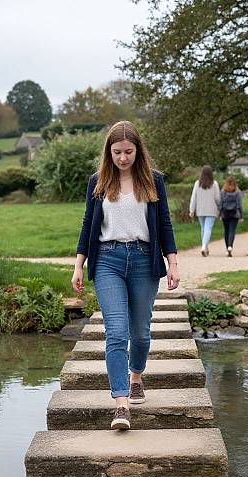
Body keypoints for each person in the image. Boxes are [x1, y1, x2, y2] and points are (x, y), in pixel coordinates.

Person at [71, 121, 180, 431]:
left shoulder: (153, 181)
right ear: (109, 151)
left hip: (145, 260)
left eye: (128, 152)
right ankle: (121, 404)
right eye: (117, 152)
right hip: (107, 260)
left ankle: (135, 377)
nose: (122, 158)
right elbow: (86, 225)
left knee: (141, 334)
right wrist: (79, 265)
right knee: (116, 333)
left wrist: (172, 263)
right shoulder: (99, 181)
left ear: (138, 150)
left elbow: (166, 225)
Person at [189, 165, 221, 257]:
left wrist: (192, 210)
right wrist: (219, 207)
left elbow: (193, 198)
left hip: (200, 210)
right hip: (211, 210)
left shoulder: (197, 183)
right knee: (208, 228)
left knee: (203, 228)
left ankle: (205, 248)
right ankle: (204, 246)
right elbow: (218, 198)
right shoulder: (214, 184)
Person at [219, 176, 244, 257]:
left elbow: (221, 204)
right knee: (232, 231)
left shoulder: (223, 192)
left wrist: (220, 214)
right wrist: (241, 215)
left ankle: (227, 248)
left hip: (225, 214)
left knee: (226, 231)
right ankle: (230, 246)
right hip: (235, 214)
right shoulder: (237, 192)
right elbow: (239, 205)